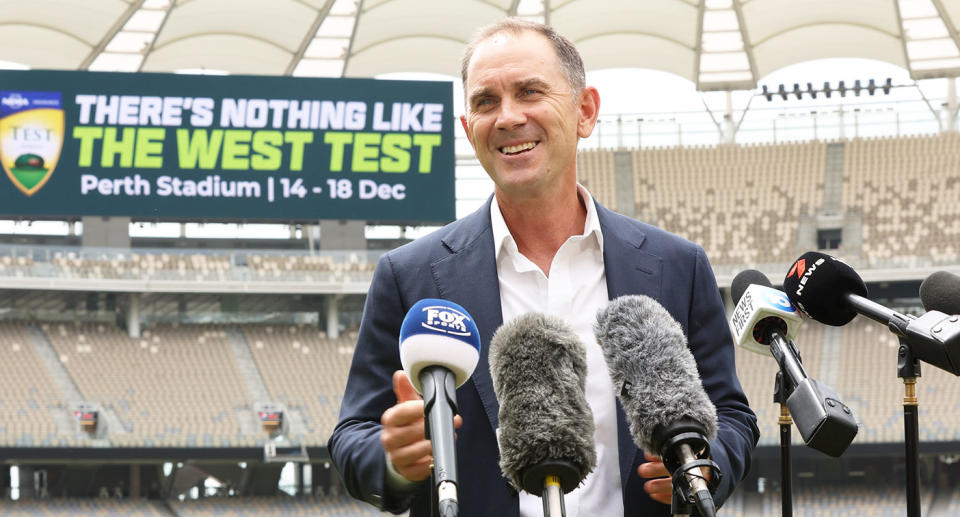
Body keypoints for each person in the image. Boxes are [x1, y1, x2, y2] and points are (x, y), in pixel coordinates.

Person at [328, 18, 759, 517]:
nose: (509, 117)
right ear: (468, 130)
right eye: (486, 101)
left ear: (585, 111)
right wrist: (394, 460)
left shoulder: (677, 265)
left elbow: (730, 415)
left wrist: (704, 464)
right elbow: (353, 436)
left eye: (530, 91)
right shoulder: (408, 275)